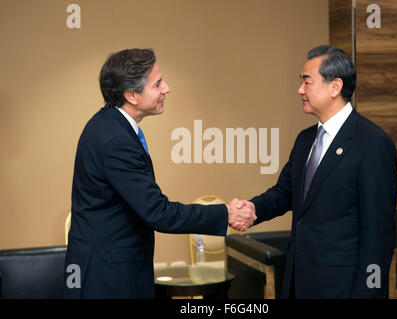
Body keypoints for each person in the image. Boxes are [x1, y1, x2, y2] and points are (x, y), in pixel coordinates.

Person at [64, 48, 256, 298]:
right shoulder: (115, 140)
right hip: (107, 277)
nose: (167, 88)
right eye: (157, 84)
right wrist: (226, 213)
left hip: (106, 269)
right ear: (132, 94)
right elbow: (159, 213)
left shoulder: (110, 125)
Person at [230, 45, 397, 298]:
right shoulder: (305, 139)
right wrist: (253, 209)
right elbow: (284, 193)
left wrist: (368, 293)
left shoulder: (372, 143)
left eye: (307, 83)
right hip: (299, 281)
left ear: (335, 87)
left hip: (342, 288)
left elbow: (379, 235)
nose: (300, 90)